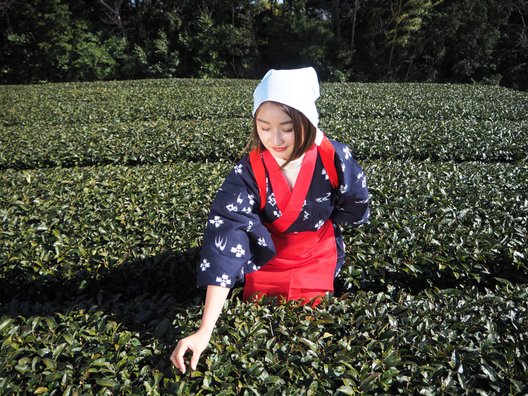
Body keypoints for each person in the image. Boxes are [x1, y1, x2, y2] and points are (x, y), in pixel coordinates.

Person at [170, 67, 370, 373]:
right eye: (263, 127)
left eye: (286, 128)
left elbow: (355, 202)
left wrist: (323, 224)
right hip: (267, 260)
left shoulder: (334, 157)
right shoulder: (248, 169)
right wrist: (204, 331)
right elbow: (226, 235)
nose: (274, 139)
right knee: (262, 335)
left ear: (306, 122)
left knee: (313, 343)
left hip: (316, 256)